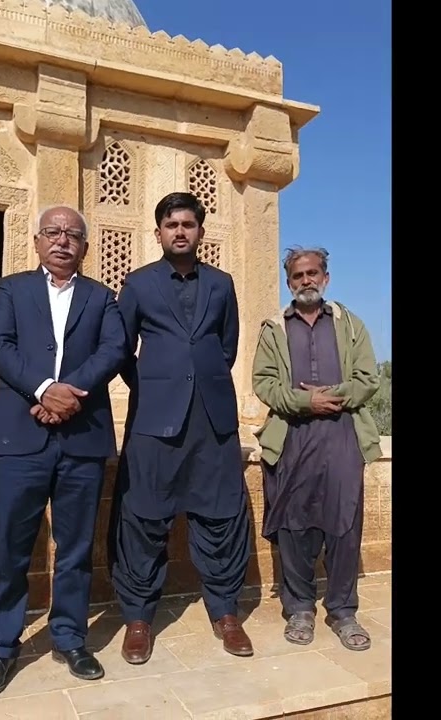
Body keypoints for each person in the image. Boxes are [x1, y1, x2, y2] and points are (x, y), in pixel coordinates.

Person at [0, 205, 127, 697]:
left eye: (73, 234)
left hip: (81, 437)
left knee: (76, 548)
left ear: (86, 247)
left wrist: (66, 394)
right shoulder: (12, 288)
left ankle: (70, 637)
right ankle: (0, 645)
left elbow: (113, 350)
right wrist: (44, 388)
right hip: (18, 437)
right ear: (38, 241)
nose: (63, 240)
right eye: (54, 232)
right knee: (8, 547)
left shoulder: (102, 297)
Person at [109, 191, 254, 664]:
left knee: (219, 515)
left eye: (188, 224)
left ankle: (226, 613)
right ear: (158, 233)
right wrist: (156, 384)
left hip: (211, 420)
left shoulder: (221, 283)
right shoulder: (138, 284)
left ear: (200, 232)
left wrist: (198, 381)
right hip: (155, 421)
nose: (179, 231)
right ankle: (138, 618)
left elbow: (226, 347)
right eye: (171, 224)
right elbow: (121, 350)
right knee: (144, 517)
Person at [251, 246, 382, 652]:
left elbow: (368, 378)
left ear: (325, 278)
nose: (305, 280)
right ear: (288, 282)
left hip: (342, 434)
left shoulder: (350, 324)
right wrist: (307, 402)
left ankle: (343, 611)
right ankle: (301, 608)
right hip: (293, 436)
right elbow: (264, 383)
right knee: (293, 526)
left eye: (312, 273)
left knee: (344, 525)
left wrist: (333, 397)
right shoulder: (274, 327)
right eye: (297, 275)